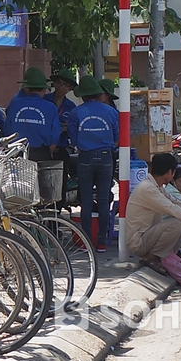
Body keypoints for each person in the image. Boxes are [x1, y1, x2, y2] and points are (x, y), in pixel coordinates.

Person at [126, 153, 181, 274]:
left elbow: (180, 205)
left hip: (149, 236)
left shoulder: (157, 187)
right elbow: (173, 209)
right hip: (139, 242)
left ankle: (168, 254)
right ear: (170, 173)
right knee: (176, 222)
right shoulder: (148, 188)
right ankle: (151, 257)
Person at [67, 76, 119, 253]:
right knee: (104, 201)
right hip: (106, 157)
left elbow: (72, 137)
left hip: (85, 157)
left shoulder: (76, 112)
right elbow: (117, 135)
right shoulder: (110, 111)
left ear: (82, 96)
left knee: (86, 202)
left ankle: (87, 241)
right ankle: (102, 242)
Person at [4, 67, 60, 161]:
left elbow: (7, 129)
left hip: (16, 152)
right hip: (40, 153)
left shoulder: (15, 103)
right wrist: (48, 153)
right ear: (44, 89)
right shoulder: (51, 107)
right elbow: (54, 136)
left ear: (27, 88)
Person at [44, 69, 77, 156]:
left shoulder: (71, 106)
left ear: (70, 88)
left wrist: (67, 128)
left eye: (65, 85)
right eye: (58, 83)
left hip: (61, 147)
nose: (61, 87)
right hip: (43, 147)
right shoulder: (44, 100)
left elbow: (74, 131)